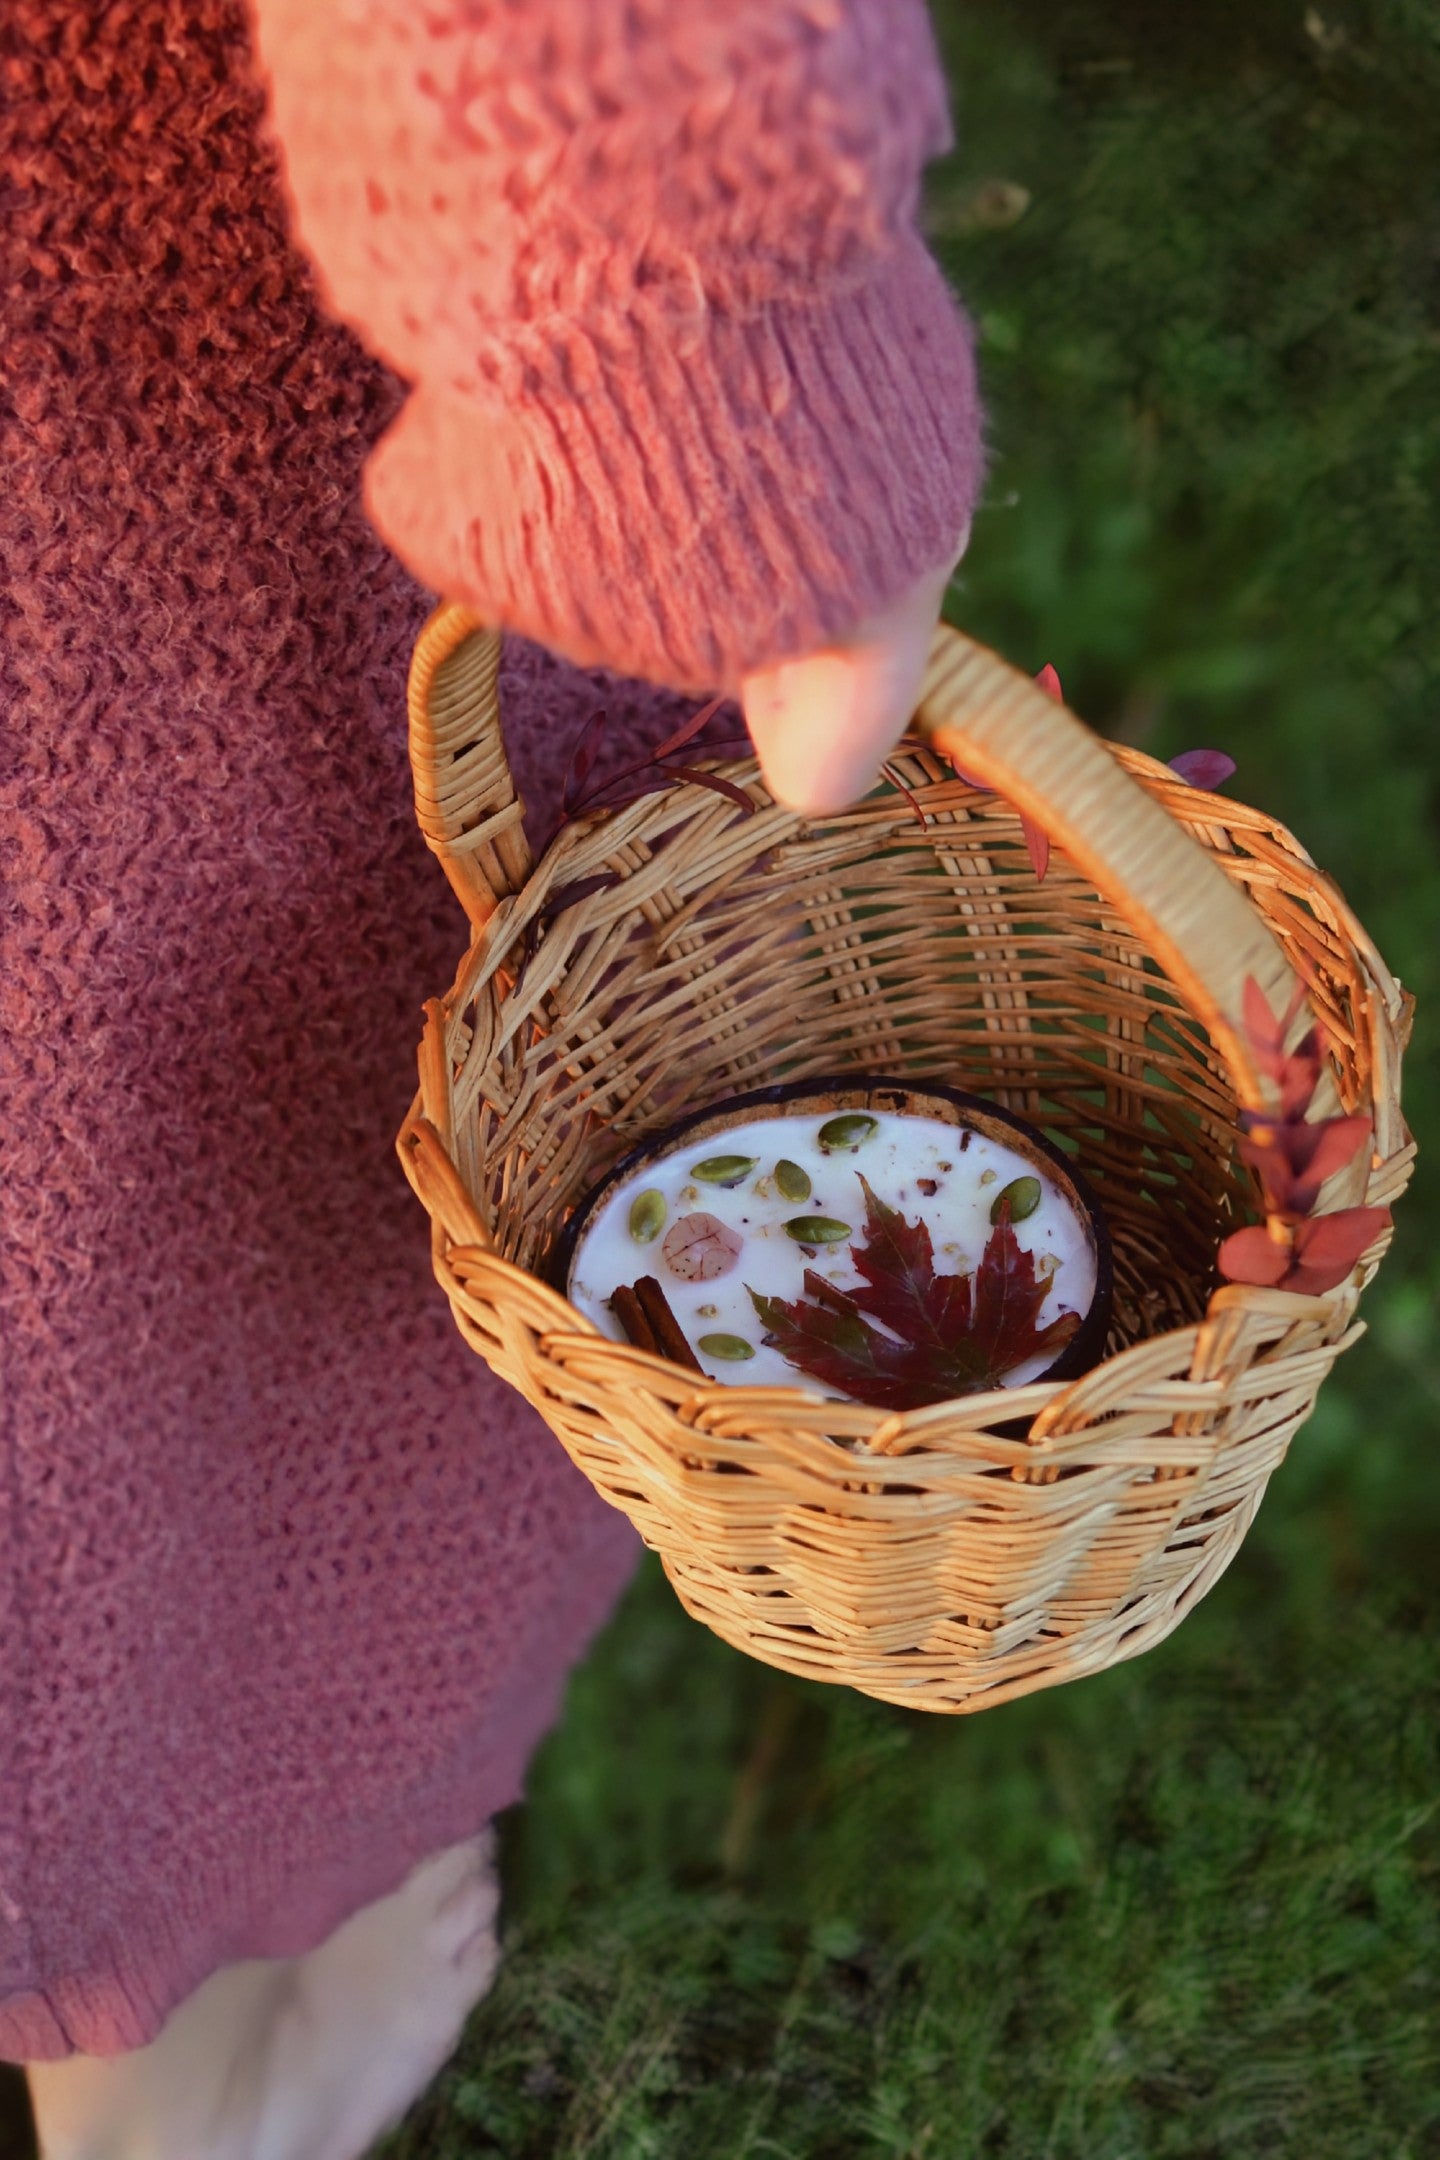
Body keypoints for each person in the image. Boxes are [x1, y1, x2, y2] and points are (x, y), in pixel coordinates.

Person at [1, 0, 983, 2152]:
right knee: (181, 1344)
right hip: (166, 461)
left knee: (77, 1418)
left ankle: (121, 2030)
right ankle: (163, 2052)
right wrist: (745, 433)